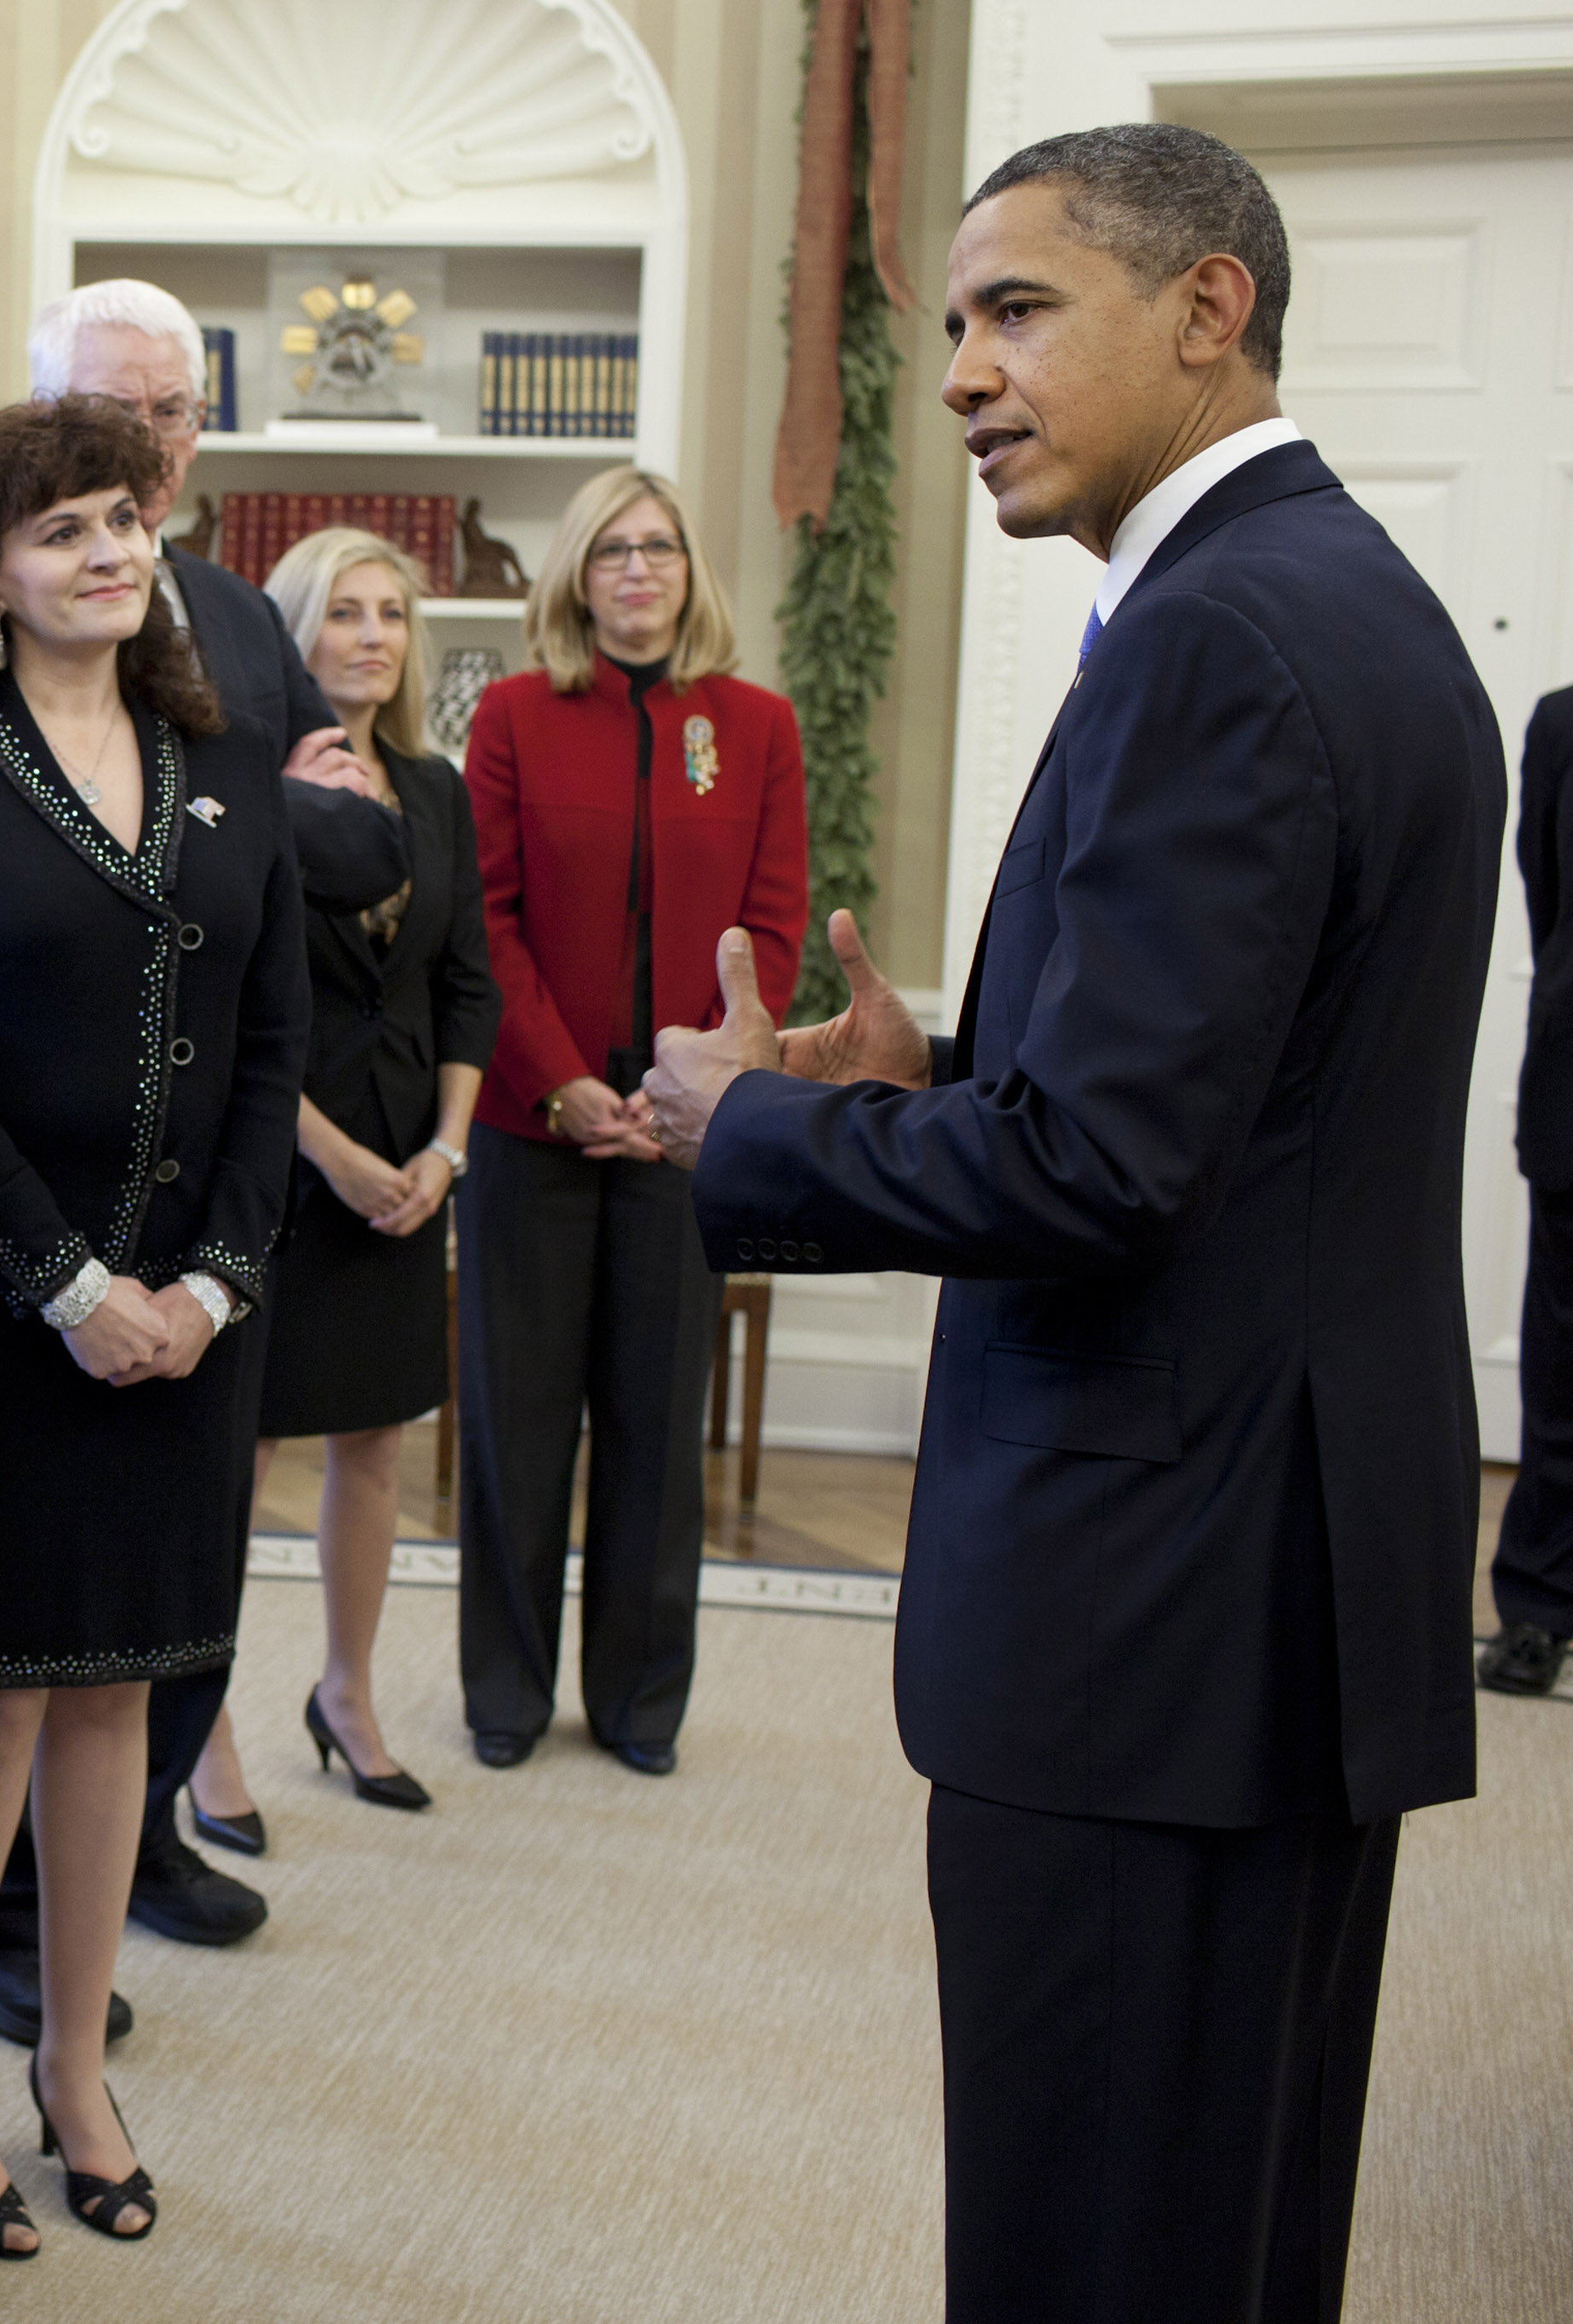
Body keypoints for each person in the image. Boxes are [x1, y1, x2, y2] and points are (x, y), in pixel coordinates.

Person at [644, 124, 1500, 2320]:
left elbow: (1109, 1177)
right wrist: (921, 1079)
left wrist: (746, 1131)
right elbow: (1232, 1105)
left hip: (1157, 1616)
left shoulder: (1218, 638)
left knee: (1100, 2243)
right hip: (1263, 1586)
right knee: (1219, 2227)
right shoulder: (1344, 601)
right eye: (948, 325)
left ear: (1207, 309)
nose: (957, 374)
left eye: (1015, 309)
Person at [0, 394, 312, 2257]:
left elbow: (273, 1047)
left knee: (123, 1686)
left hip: (192, 1323)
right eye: (60, 531)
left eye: (124, 520)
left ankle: (73, 2072)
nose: (107, 553)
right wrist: (64, 1284)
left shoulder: (225, 753)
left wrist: (205, 1286)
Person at [0, 275, 413, 2024]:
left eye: (169, 415)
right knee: (36, 1596)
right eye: (109, 408)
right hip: (47, 1190)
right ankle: (16, 1931)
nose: (144, 444)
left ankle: (144, 1830)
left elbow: (318, 846)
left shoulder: (234, 613)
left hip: (219, 1185)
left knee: (188, 1563)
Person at [457, 465, 805, 1777]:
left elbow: (768, 927)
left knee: (661, 1424)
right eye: (612, 550)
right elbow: (480, 925)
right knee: (515, 1418)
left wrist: (688, 1085)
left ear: (687, 570)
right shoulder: (509, 716)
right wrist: (558, 1078)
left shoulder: (755, 727)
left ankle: (641, 1699)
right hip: (532, 1115)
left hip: (691, 1128)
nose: (638, 571)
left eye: (659, 547)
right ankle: (504, 1688)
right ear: (577, 574)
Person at [247, 527, 499, 1815]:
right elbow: (230, 1008)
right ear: (296, 633)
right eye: (345, 612)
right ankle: (203, 1723)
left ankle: (346, 1690)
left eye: (393, 613)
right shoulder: (246, 787)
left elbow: (469, 983)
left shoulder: (437, 787)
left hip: (411, 1164)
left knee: (376, 1444)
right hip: (283, 1164)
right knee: (243, 1445)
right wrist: (338, 1159)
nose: (373, 636)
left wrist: (444, 1153)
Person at [1488, 681, 1573, 1698]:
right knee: (1560, 1367)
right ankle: (1538, 1610)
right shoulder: (1559, 725)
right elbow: (1545, 901)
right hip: (1572, 1087)